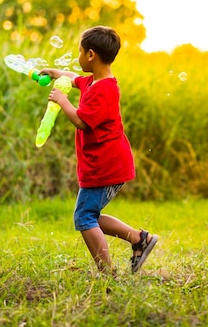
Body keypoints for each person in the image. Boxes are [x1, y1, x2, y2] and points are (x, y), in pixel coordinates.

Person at [40, 26, 158, 275]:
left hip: (106, 166)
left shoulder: (104, 90)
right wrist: (53, 72)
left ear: (91, 55)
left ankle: (107, 274)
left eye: (80, 51)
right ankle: (139, 239)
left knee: (84, 218)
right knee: (88, 215)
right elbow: (73, 77)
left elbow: (82, 120)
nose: (78, 56)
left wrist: (62, 101)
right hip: (103, 164)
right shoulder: (94, 81)